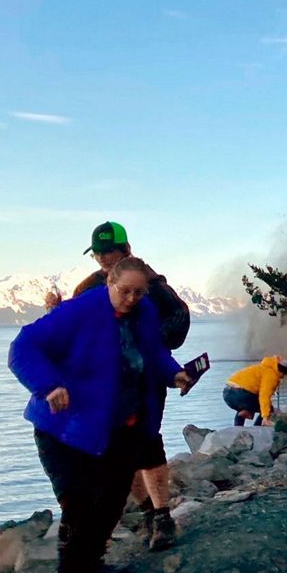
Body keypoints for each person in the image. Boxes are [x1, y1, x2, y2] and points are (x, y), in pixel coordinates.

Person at [10, 256, 192, 573]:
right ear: (109, 283)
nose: (131, 299)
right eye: (125, 291)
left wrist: (174, 374)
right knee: (79, 506)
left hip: (121, 428)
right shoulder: (79, 311)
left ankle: (91, 564)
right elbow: (23, 347)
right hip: (66, 429)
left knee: (110, 505)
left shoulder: (144, 312)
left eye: (139, 293)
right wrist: (49, 385)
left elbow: (153, 353)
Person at [46, 220, 192, 552]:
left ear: (125, 250)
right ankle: (146, 512)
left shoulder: (151, 284)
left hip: (143, 381)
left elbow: (179, 320)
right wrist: (56, 312)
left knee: (147, 442)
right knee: (118, 448)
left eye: (107, 252)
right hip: (102, 385)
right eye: (97, 253)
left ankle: (162, 516)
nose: (102, 258)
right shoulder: (88, 288)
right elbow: (72, 328)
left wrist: (152, 347)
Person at [224, 355, 287, 426]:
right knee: (268, 408)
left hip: (227, 394)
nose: (282, 377)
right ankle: (260, 426)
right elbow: (264, 396)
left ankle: (238, 427)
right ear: (282, 372)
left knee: (244, 408)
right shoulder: (271, 375)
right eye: (283, 375)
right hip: (241, 394)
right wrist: (266, 416)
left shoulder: (261, 368)